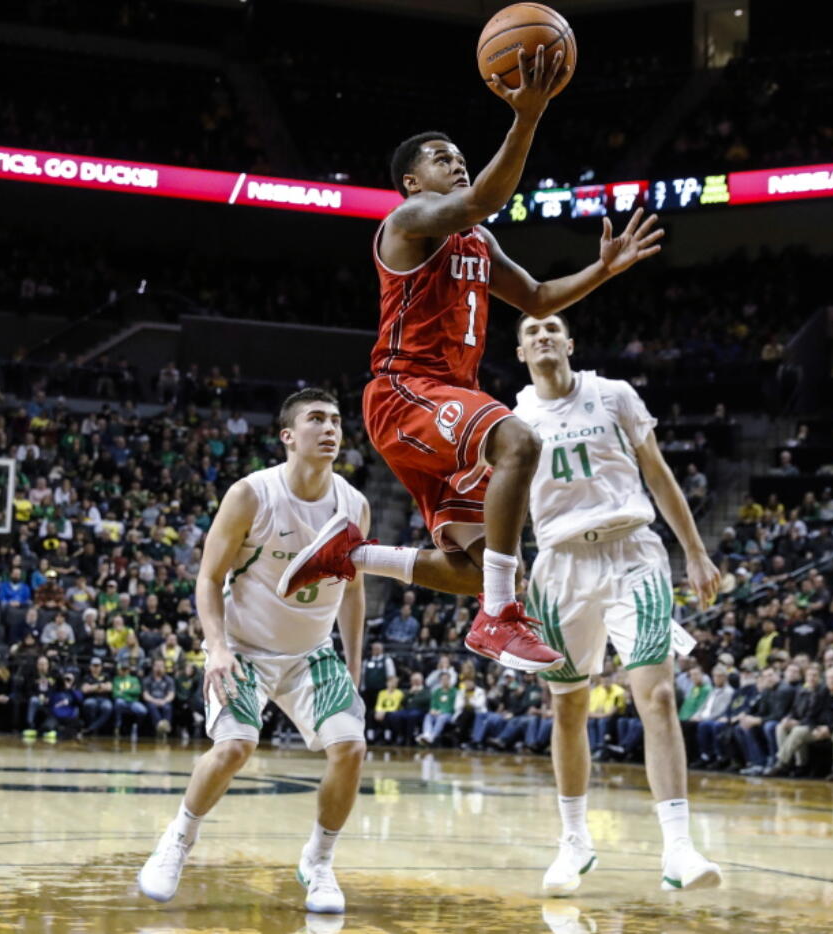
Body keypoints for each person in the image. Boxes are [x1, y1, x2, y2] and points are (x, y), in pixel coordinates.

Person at [276, 46, 664, 675]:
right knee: (519, 442)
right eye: (441, 159)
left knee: (481, 566)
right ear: (411, 182)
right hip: (406, 392)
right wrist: (527, 117)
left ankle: (354, 554)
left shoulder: (477, 239)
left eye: (458, 156)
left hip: (443, 401)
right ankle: (499, 618)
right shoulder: (407, 222)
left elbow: (536, 297)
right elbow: (482, 198)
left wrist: (604, 268)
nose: (454, 163)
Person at [510, 313, 723, 894]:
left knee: (655, 693)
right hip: (560, 567)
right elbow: (499, 503)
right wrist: (504, 573)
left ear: (570, 343)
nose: (543, 336)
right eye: (532, 332)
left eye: (552, 327)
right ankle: (575, 840)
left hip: (634, 554)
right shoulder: (514, 421)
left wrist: (696, 553)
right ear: (522, 352)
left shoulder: (613, 394)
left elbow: (658, 474)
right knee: (568, 708)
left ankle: (678, 847)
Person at [138, 388, 370, 915]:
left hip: (312, 652)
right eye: (317, 419)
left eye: (336, 420)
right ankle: (177, 840)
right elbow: (208, 578)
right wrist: (216, 647)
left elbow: (353, 588)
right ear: (288, 436)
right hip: (242, 647)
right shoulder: (251, 494)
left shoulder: (355, 504)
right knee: (235, 747)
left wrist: (353, 664)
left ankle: (319, 861)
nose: (330, 428)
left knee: (351, 747)